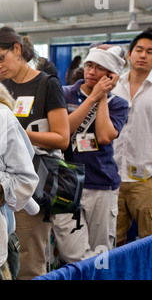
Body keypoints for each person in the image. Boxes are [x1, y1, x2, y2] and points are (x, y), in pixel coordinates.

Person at [0, 26, 70, 279]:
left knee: (29, 260)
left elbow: (62, 138)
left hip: (34, 183)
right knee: (7, 256)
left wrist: (18, 133)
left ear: (17, 49)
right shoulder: (0, 86)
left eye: (1, 58)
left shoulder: (47, 84)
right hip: (2, 181)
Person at [58, 44, 129, 260]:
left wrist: (102, 97)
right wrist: (92, 98)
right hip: (67, 183)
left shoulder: (119, 104)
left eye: (99, 68)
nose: (91, 71)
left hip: (101, 183)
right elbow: (64, 130)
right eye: (89, 65)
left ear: (111, 75)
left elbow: (105, 135)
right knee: (71, 252)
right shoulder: (64, 93)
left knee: (100, 252)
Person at [112, 28, 152, 244]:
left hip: (146, 177)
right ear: (129, 54)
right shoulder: (113, 87)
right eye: (139, 50)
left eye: (150, 52)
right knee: (111, 240)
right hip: (111, 176)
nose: (143, 55)